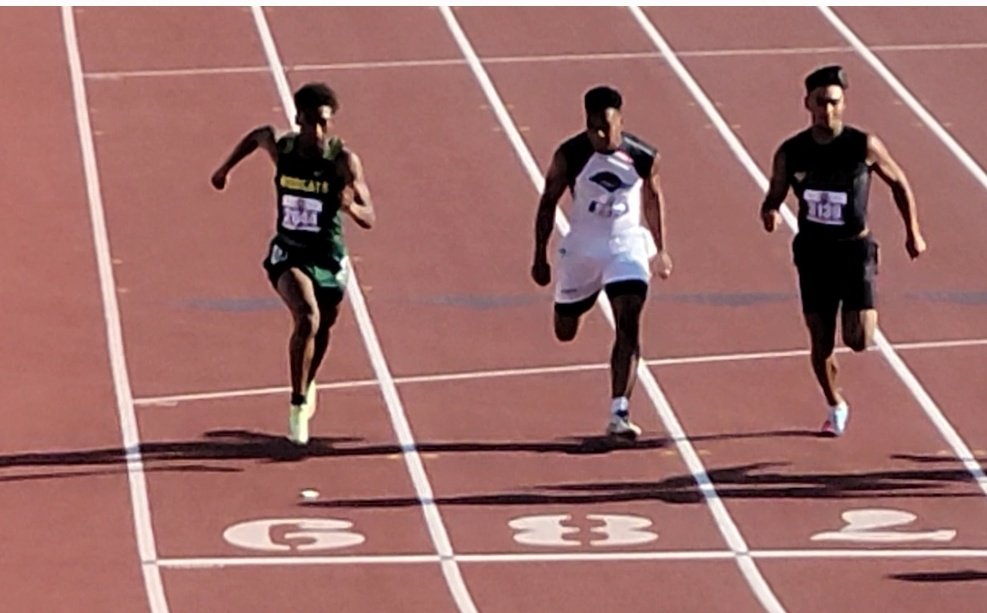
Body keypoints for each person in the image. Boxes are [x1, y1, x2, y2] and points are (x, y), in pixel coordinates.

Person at [759, 65, 926, 436]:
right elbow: (774, 193)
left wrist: (912, 231)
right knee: (820, 341)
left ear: (844, 104)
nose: (827, 110)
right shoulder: (792, 151)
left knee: (859, 339)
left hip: (854, 251)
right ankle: (836, 403)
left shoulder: (862, 145)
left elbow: (899, 183)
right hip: (814, 254)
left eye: (834, 102)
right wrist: (769, 210)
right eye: (820, 102)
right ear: (808, 103)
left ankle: (860, 308)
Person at [210, 82, 375, 445]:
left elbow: (370, 215)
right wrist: (224, 169)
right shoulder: (283, 147)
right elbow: (258, 136)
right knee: (307, 316)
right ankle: (298, 404)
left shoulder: (342, 160)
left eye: (325, 123)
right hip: (289, 251)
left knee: (325, 326)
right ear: (298, 118)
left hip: (328, 255)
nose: (318, 130)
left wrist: (349, 206)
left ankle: (309, 380)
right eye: (312, 121)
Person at [531, 85, 672, 440]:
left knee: (629, 321)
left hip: (626, 247)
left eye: (607, 126)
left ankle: (619, 411)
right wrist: (540, 256)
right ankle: (583, 299)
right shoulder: (571, 155)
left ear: (620, 120)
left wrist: (662, 248)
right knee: (565, 331)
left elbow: (654, 200)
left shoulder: (643, 156)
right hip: (582, 249)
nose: (601, 135)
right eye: (594, 127)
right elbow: (547, 203)